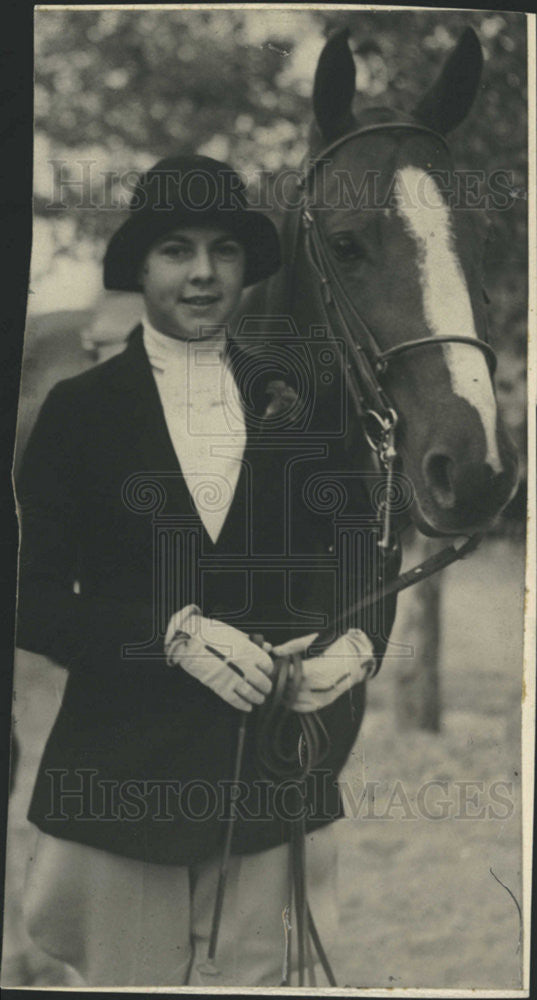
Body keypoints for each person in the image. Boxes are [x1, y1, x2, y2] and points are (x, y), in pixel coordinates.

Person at [16, 154, 396, 988]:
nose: (200, 273)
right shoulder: (77, 414)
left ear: (245, 267)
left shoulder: (305, 399)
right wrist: (169, 636)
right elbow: (31, 600)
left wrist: (357, 643)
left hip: (271, 787)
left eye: (223, 250)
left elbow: (360, 555)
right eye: (175, 250)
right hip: (123, 788)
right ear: (140, 267)